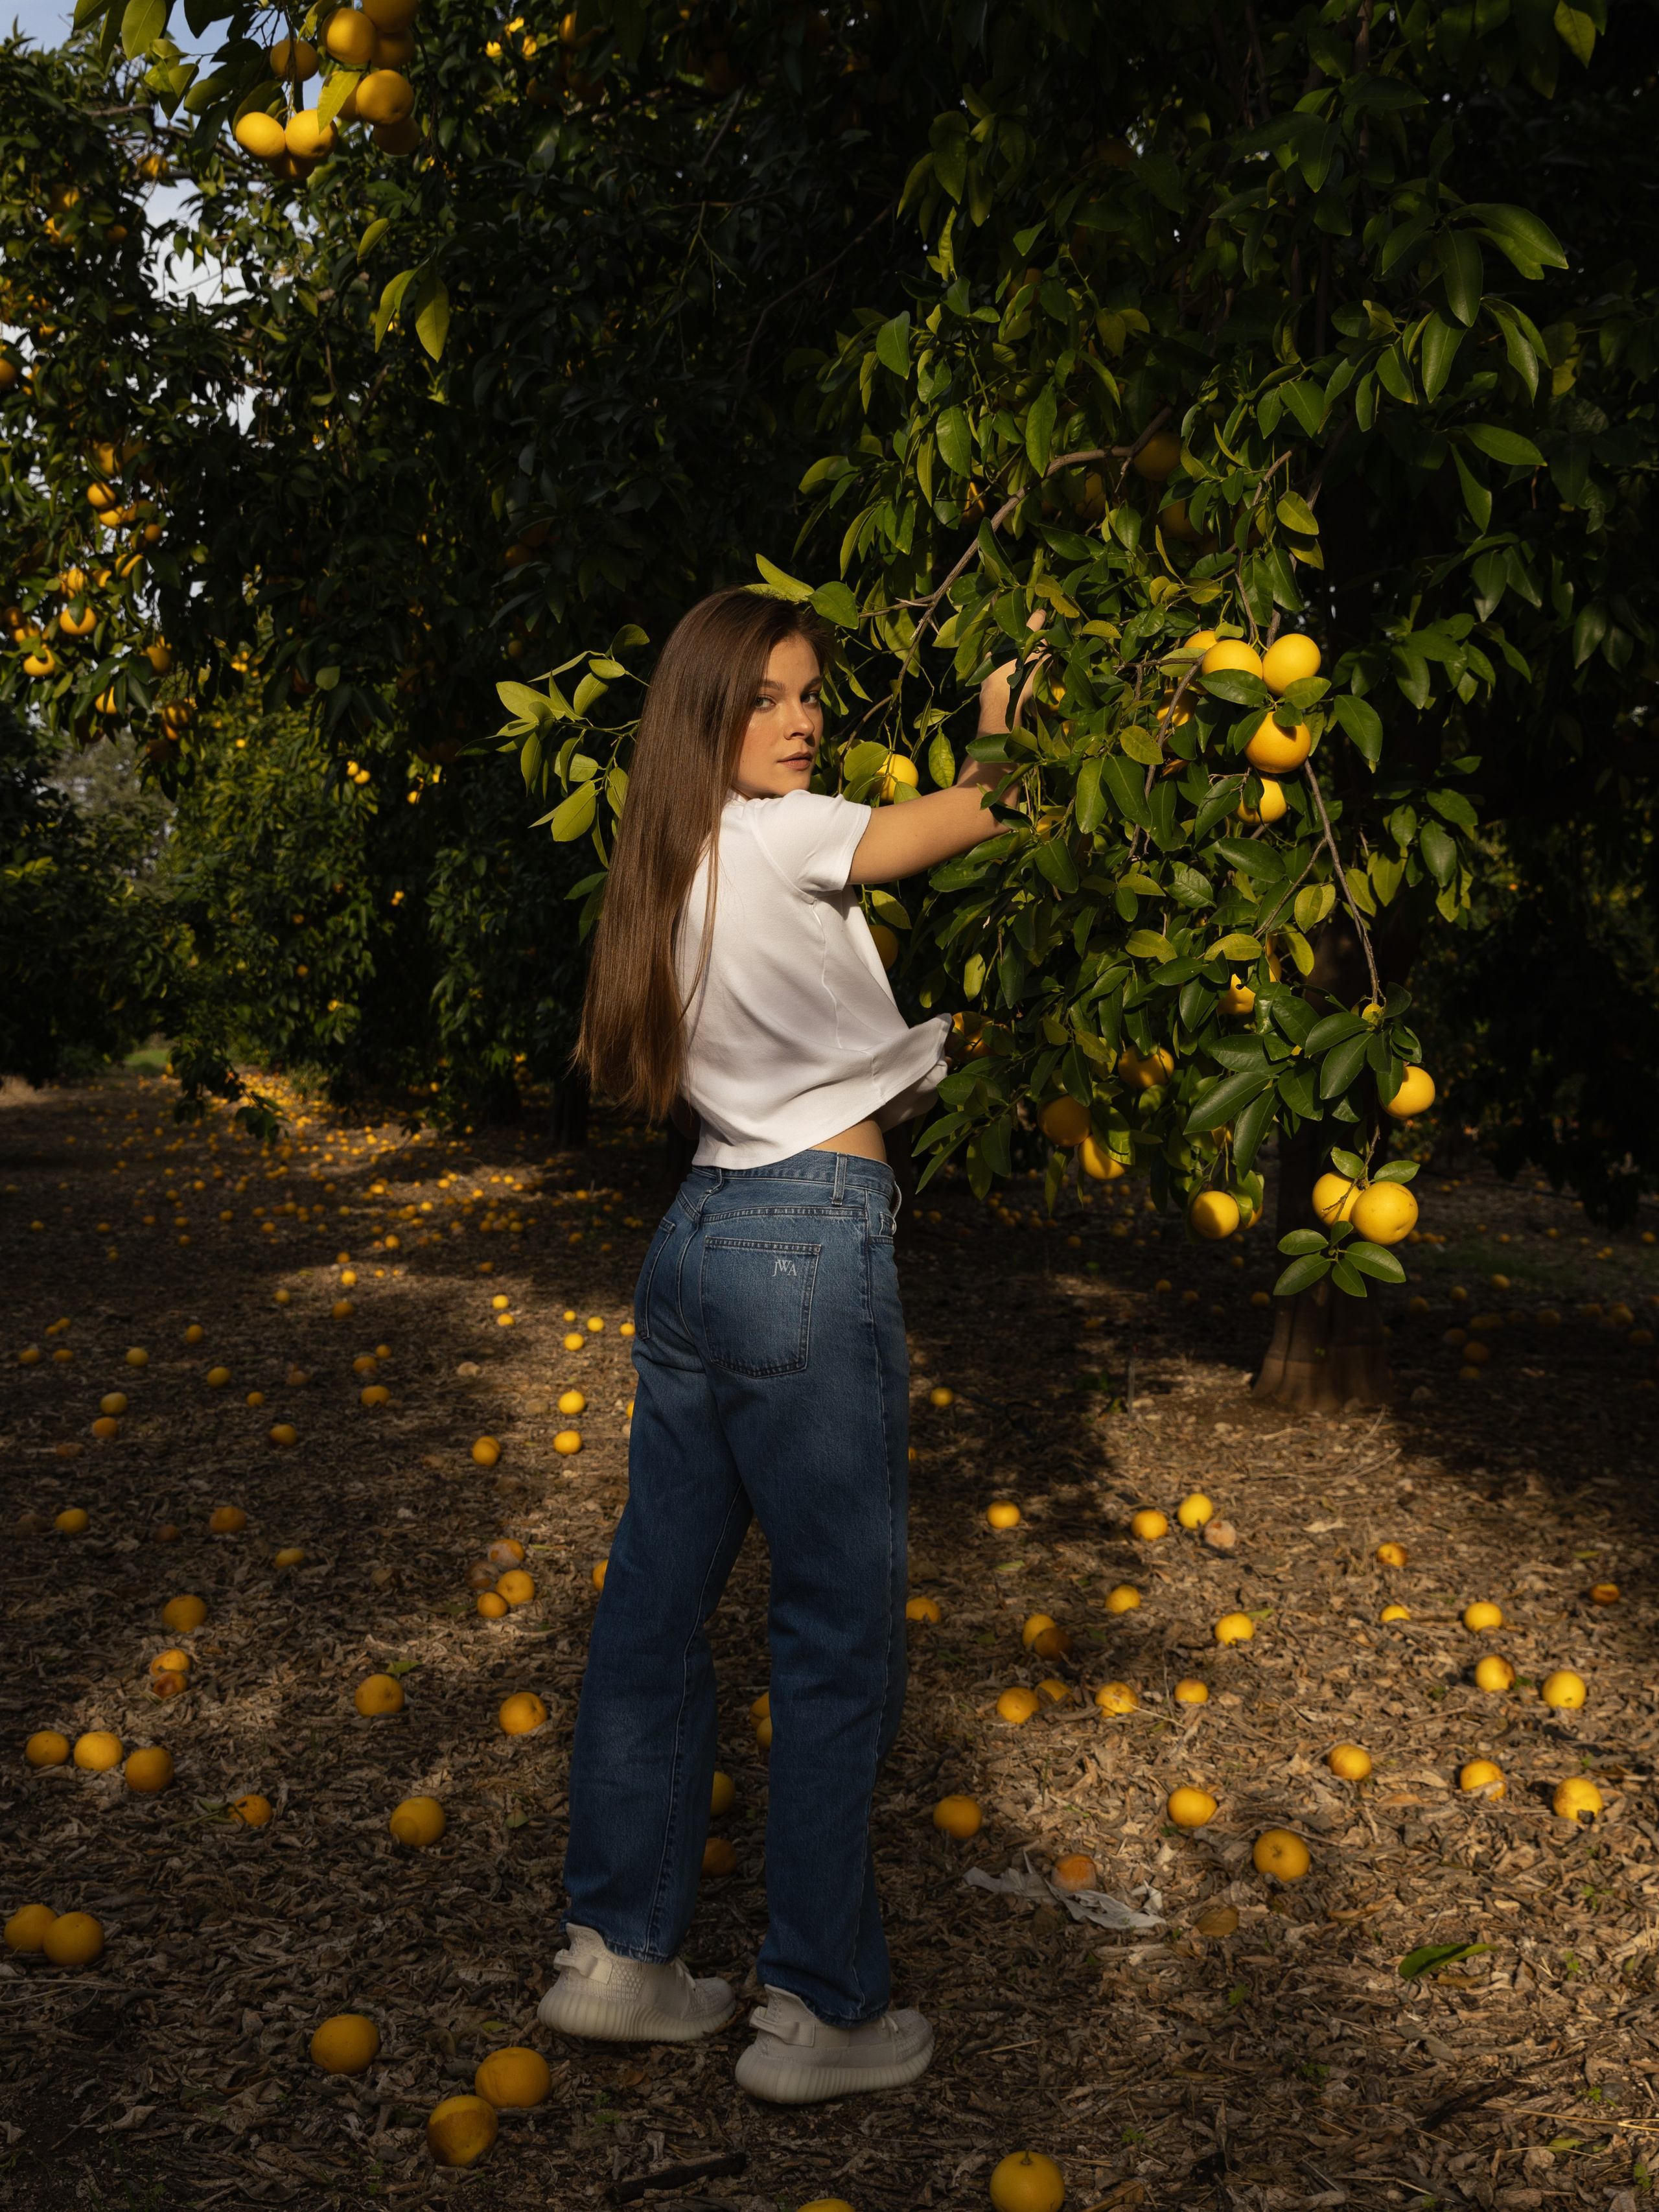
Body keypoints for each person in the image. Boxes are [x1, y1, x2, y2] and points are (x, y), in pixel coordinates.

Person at [540, 585, 1017, 2103]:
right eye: (767, 699)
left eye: (810, 696)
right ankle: (820, 2006)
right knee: (830, 1633)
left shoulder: (665, 863)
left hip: (696, 1242)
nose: (802, 723)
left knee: (653, 1614)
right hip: (808, 1242)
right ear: (706, 715)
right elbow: (960, 825)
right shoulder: (780, 834)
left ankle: (617, 1955)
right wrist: (1003, 735)